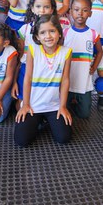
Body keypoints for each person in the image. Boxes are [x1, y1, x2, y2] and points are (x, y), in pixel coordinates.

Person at [14, 14, 72, 147]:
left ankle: (46, 120)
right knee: (21, 140)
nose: (48, 36)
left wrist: (62, 107)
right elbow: (27, 78)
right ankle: (38, 121)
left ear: (59, 33)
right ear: (37, 37)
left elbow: (65, 80)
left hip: (54, 106)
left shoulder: (66, 52)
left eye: (52, 31)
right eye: (43, 32)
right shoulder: (33, 51)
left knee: (64, 137)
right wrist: (26, 104)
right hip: (33, 105)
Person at [13, 0, 57, 106]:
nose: (42, 10)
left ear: (52, 10)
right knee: (21, 103)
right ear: (32, 8)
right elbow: (20, 55)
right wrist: (14, 80)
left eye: (46, 7)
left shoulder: (56, 31)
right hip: (26, 69)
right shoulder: (24, 29)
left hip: (47, 71)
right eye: (38, 6)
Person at [64, 0, 103, 118]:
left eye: (85, 10)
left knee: (84, 115)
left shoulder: (93, 34)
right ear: (70, 12)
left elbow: (100, 51)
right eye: (76, 10)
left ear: (90, 13)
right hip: (68, 79)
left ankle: (77, 101)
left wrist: (94, 67)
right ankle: (71, 100)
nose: (80, 13)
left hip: (84, 81)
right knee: (66, 109)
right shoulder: (65, 32)